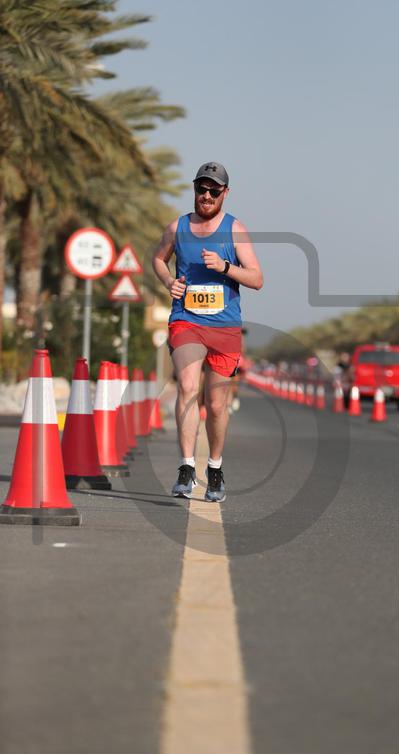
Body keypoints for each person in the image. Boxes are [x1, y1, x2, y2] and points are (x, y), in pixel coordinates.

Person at [152, 162, 263, 502]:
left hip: (225, 326)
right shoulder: (178, 227)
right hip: (186, 320)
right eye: (202, 188)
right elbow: (158, 259)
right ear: (195, 189)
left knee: (216, 404)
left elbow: (257, 278)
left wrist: (225, 267)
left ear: (225, 193)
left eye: (214, 190)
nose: (207, 196)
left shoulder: (235, 230)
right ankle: (186, 468)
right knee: (187, 386)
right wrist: (169, 281)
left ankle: (215, 468)